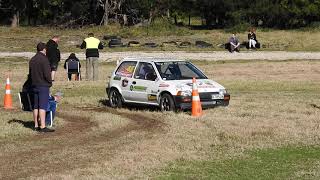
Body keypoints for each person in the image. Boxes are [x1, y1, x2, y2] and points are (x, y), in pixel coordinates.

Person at [29, 42, 54, 133]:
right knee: (42, 106)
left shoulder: (32, 59)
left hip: (34, 85)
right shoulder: (44, 59)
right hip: (43, 85)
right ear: (44, 49)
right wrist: (50, 82)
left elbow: (30, 74)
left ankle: (35, 125)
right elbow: (47, 74)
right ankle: (43, 126)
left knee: (36, 106)